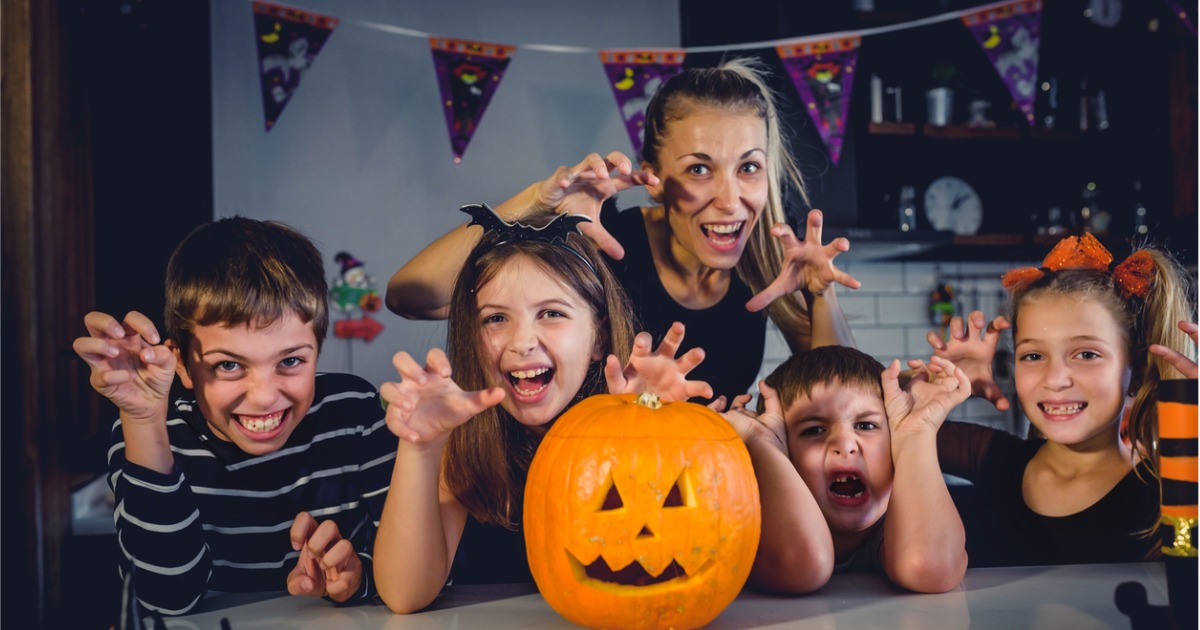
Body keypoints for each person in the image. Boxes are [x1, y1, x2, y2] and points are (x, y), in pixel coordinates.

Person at [386, 58, 860, 404]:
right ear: (654, 180)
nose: (730, 198)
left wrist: (823, 295)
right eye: (699, 170)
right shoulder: (600, 239)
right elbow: (411, 296)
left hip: (707, 498)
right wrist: (539, 203)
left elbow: (842, 394)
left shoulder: (766, 265)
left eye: (748, 167)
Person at [373, 207, 712, 614]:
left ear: (599, 336)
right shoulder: (462, 442)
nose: (522, 341)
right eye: (495, 318)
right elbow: (404, 594)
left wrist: (652, 425)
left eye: (551, 314)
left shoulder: (636, 421)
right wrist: (421, 447)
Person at [71, 218, 398, 615]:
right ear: (183, 366)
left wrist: (360, 577)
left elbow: (421, 573)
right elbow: (165, 599)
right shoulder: (149, 433)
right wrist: (141, 420)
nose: (263, 397)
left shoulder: (357, 411)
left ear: (317, 349)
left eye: (291, 361)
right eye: (228, 366)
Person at [924, 233, 1196, 567]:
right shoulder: (991, 456)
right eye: (1033, 356)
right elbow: (869, 420)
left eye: (1086, 354)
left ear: (1136, 373)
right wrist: (930, 385)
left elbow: (1189, 570)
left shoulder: (1172, 494)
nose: (1055, 379)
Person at [718, 345, 971, 594]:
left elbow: (932, 568)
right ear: (783, 452)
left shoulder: (907, 520)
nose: (846, 444)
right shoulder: (755, 525)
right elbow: (803, 566)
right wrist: (761, 444)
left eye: (866, 425)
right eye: (814, 430)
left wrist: (916, 431)